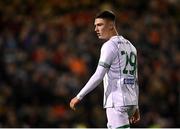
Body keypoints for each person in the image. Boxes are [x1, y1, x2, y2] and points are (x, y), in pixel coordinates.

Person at [70, 10, 140, 128]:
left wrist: (79, 96)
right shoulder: (131, 46)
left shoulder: (109, 46)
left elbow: (98, 75)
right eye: (95, 26)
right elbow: (135, 79)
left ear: (111, 25)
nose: (96, 29)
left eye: (100, 25)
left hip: (116, 102)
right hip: (130, 102)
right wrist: (136, 105)